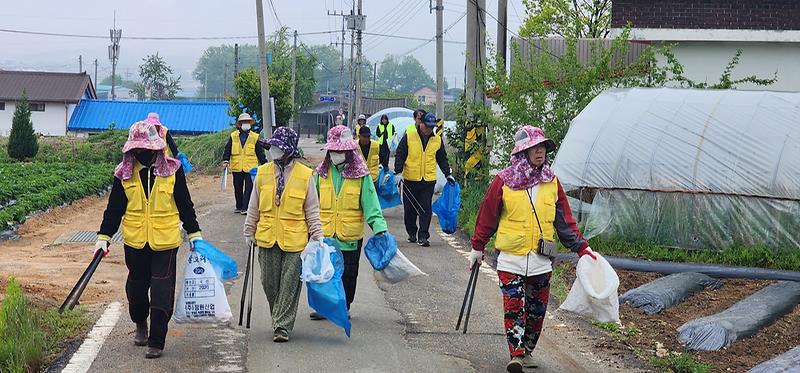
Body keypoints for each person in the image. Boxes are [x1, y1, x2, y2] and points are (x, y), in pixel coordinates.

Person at [468, 125, 599, 373]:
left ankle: (527, 349)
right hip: (510, 258)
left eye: (542, 148)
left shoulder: (552, 182)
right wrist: (477, 246)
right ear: (522, 152)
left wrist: (582, 247)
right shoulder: (503, 182)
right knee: (514, 306)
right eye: (534, 148)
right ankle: (515, 354)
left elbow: (564, 222)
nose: (540, 153)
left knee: (537, 311)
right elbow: (487, 216)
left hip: (541, 260)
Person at [95, 120, 203, 359]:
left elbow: (185, 204)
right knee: (136, 289)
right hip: (135, 241)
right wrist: (104, 236)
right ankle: (139, 321)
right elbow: (114, 209)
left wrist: (194, 233)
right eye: (136, 150)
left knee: (162, 290)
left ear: (156, 148)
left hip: (165, 241)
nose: (140, 154)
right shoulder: (123, 173)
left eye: (145, 150)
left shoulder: (173, 171)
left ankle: (157, 340)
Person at [243, 126, 323, 343]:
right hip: (267, 237)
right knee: (269, 283)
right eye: (273, 146)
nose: (274, 150)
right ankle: (279, 317)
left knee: (289, 285)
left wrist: (317, 236)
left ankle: (281, 326)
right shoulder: (262, 172)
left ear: (288, 150)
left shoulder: (306, 175)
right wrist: (249, 230)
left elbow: (312, 209)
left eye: (278, 147)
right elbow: (254, 205)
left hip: (296, 240)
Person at [314, 125, 388, 317]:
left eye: (341, 151)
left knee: (348, 274)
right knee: (324, 273)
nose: (337, 154)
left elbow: (372, 205)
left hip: (350, 236)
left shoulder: (361, 177)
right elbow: (310, 204)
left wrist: (380, 228)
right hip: (326, 234)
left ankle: (343, 307)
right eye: (334, 150)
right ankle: (325, 307)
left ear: (348, 151)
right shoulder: (321, 175)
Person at [394, 112, 455, 247]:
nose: (429, 129)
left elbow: (442, 159)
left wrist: (447, 174)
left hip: (428, 180)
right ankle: (411, 232)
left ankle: (423, 236)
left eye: (432, 127)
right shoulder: (409, 136)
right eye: (427, 126)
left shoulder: (437, 140)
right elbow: (400, 154)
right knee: (409, 210)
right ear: (420, 123)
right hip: (410, 179)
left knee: (425, 208)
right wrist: (398, 173)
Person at [223, 113, 268, 214]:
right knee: (237, 187)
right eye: (243, 122)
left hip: (251, 167)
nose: (246, 123)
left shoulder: (255, 137)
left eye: (247, 122)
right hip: (237, 166)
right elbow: (228, 149)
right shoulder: (233, 136)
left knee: (249, 187)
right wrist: (225, 160)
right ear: (240, 124)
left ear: (250, 124)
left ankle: (245, 207)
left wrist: (264, 163)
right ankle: (239, 206)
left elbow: (259, 152)